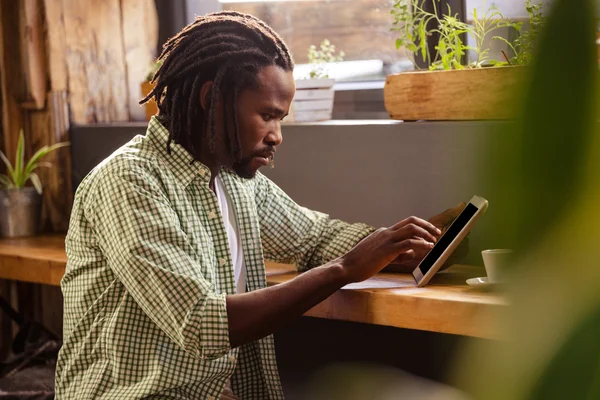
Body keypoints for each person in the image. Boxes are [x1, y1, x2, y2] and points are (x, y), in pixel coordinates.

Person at [55, 11, 465, 400]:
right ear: (211, 98)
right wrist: (343, 270)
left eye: (281, 118)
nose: (276, 136)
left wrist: (410, 243)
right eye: (267, 115)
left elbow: (315, 238)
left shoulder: (233, 180)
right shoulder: (129, 182)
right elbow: (202, 324)